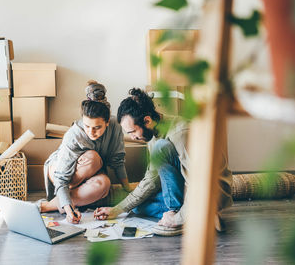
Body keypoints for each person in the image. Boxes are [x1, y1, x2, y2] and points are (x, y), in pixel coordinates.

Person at [94, 88, 233, 236]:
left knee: (161, 148)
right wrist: (118, 209)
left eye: (133, 132)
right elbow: (151, 179)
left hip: (212, 190)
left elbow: (200, 182)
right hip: (184, 190)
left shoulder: (181, 133)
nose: (133, 137)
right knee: (137, 207)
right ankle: (198, 215)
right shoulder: (151, 133)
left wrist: (177, 219)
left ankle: (180, 214)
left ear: (147, 120)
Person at [41, 80, 132, 224]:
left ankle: (55, 203)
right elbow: (61, 178)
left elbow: (117, 160)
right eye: (87, 126)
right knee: (93, 158)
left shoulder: (115, 127)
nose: (91, 132)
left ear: (108, 121)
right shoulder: (74, 134)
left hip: (88, 176)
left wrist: (128, 189)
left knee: (104, 184)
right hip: (59, 171)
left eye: (97, 127)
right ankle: (51, 204)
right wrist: (69, 211)